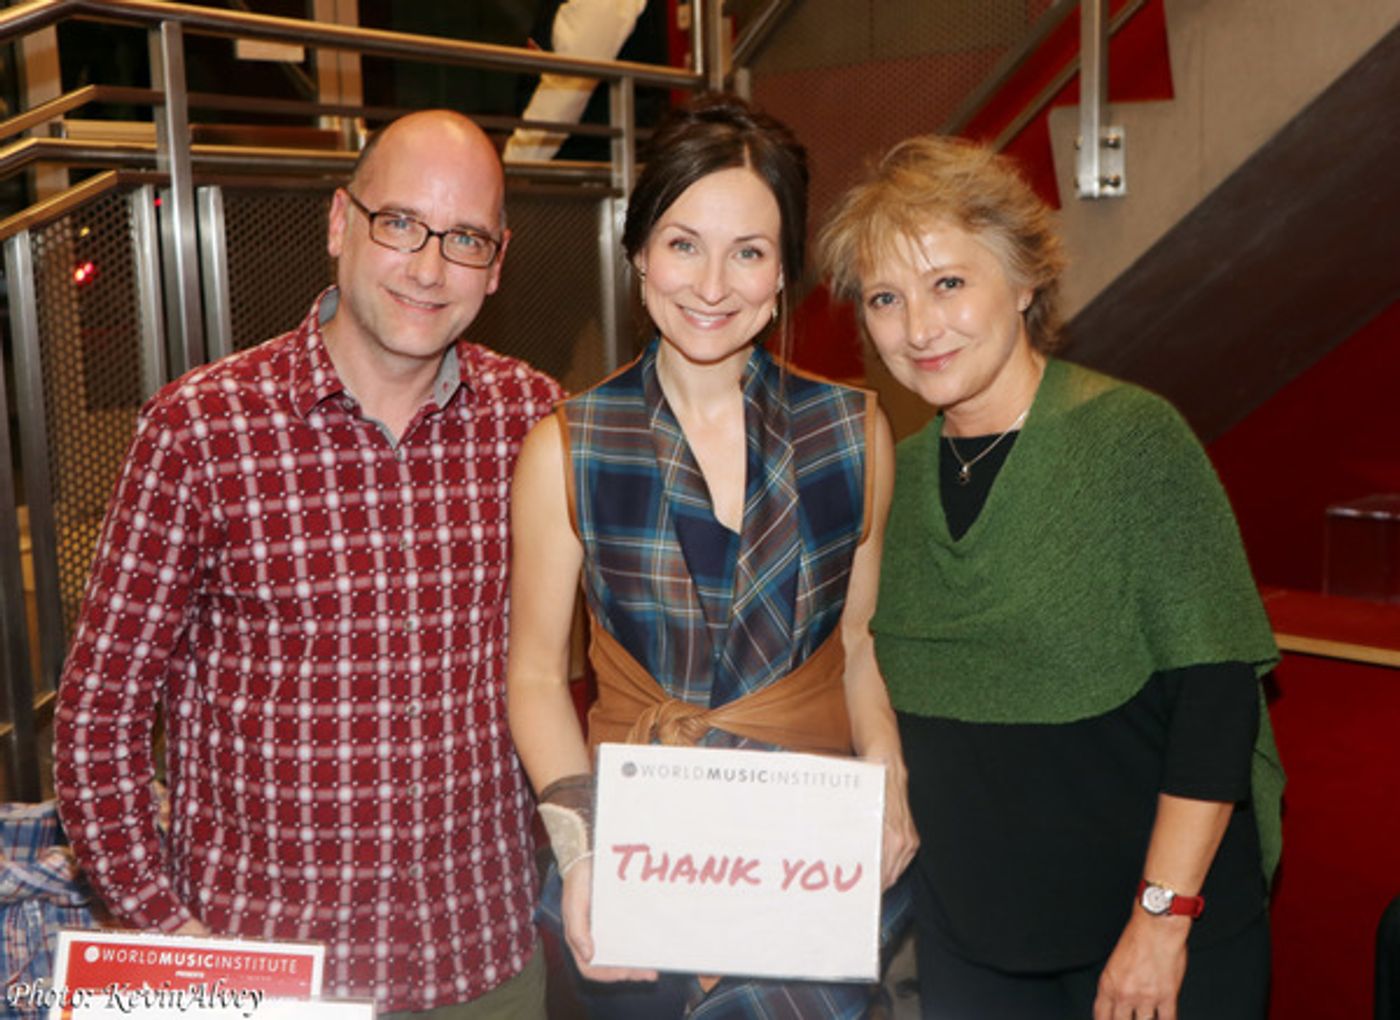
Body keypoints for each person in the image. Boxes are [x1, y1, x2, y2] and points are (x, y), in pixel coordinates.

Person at [52, 110, 565, 1018]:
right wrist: (166, 936)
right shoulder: (201, 428)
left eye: (465, 238)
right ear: (340, 223)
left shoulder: (536, 421)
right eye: (399, 223)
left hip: (486, 958)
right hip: (267, 971)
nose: (428, 265)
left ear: (497, 262)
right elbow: (100, 714)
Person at [818, 134, 1286, 1020]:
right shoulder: (898, 475)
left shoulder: (1128, 438)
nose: (918, 328)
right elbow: (864, 652)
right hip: (972, 945)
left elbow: (1218, 697)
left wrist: (1161, 924)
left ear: (1024, 280)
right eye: (886, 298)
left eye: (948, 283)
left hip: (1149, 943)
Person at [506, 93, 917, 1018]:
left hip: (800, 857)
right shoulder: (569, 444)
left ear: (784, 276)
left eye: (750, 252)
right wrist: (583, 852)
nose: (712, 285)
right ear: (639, 250)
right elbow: (533, 676)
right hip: (636, 859)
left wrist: (888, 769)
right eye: (684, 243)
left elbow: (858, 645)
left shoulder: (851, 433)